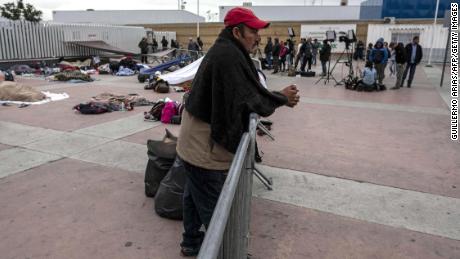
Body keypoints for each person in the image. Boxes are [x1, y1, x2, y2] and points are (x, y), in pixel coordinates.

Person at [176, 7, 299, 257]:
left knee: (193, 193)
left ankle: (190, 242)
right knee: (215, 208)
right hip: (203, 144)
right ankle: (228, 251)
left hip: (193, 137)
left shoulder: (229, 50)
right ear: (237, 31)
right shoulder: (227, 55)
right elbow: (249, 98)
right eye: (253, 30)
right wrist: (281, 98)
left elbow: (245, 92)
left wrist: (276, 97)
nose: (257, 36)